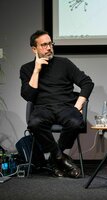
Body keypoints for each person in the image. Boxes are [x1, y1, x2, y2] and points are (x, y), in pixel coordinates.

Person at [19, 30, 94, 178]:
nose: (49, 48)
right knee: (34, 124)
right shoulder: (26, 69)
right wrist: (37, 70)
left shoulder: (64, 63)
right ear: (34, 49)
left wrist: (77, 106)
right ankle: (60, 158)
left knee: (75, 122)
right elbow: (28, 95)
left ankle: (54, 159)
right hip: (42, 108)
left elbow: (87, 83)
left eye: (50, 44)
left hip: (65, 107)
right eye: (44, 45)